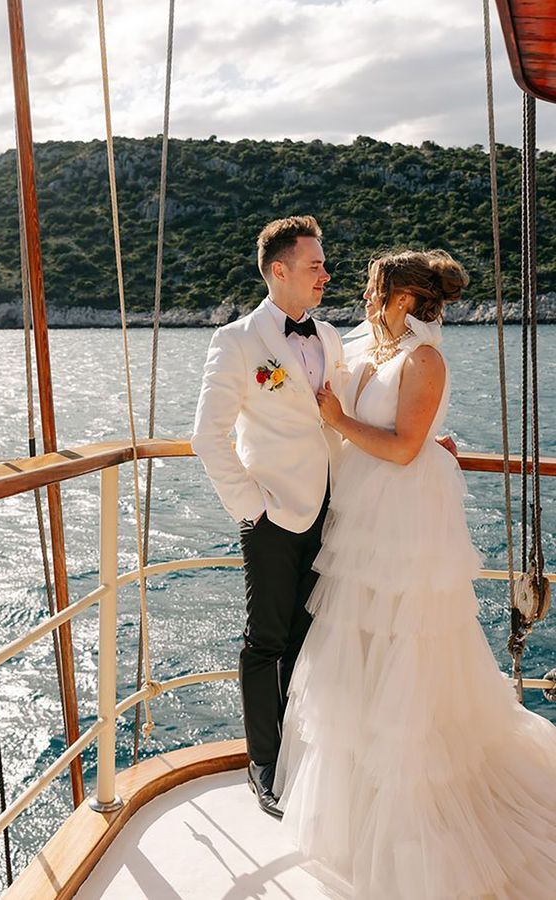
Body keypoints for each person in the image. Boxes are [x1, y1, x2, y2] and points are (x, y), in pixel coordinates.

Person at [273, 248, 556, 899]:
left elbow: (402, 449)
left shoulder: (425, 357)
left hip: (404, 526)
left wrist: (345, 422)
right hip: (366, 525)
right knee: (363, 652)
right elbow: (400, 430)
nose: (366, 300)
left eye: (375, 290)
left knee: (408, 657)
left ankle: (411, 814)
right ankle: (364, 799)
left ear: (401, 298)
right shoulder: (376, 352)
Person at [192, 215, 345, 818]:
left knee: (312, 638)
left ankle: (304, 755)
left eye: (324, 265)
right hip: (272, 516)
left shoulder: (329, 337)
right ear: (278, 271)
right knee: (267, 642)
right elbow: (208, 437)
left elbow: (347, 413)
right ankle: (264, 762)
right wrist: (253, 510)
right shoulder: (236, 341)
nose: (325, 275)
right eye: (314, 266)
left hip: (332, 514)